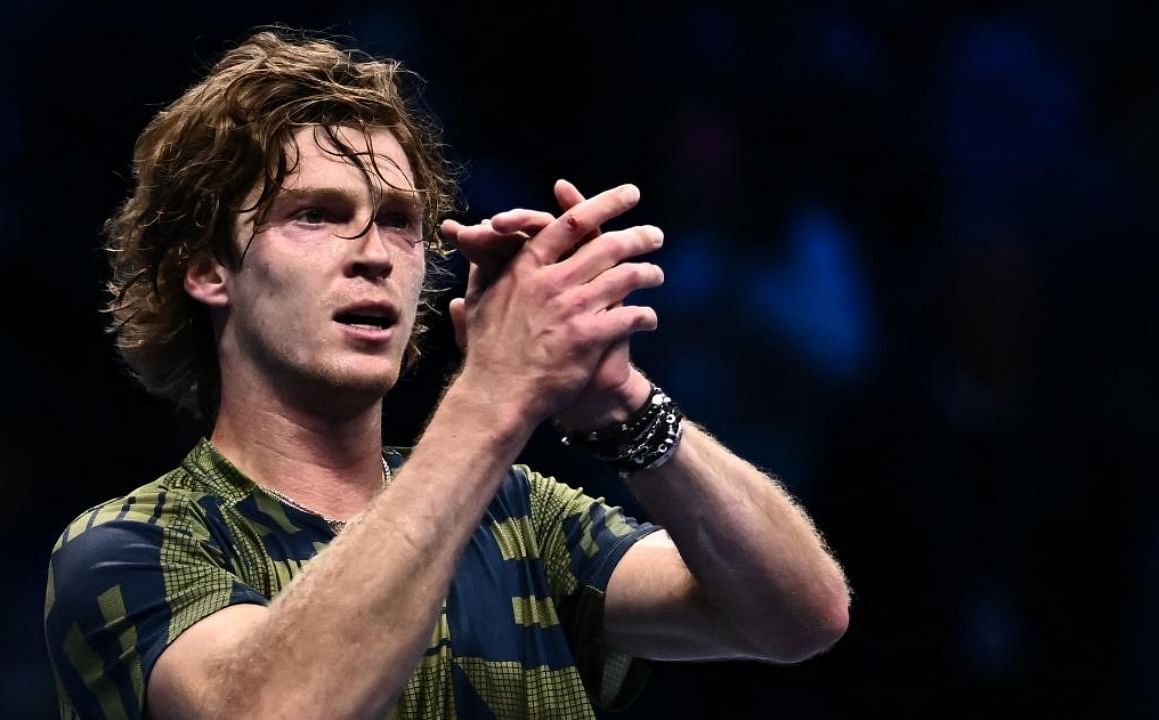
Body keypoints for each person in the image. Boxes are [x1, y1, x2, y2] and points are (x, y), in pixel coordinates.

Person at [44, 29, 850, 720]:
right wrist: (494, 396)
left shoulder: (520, 517)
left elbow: (800, 615)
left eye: (399, 222)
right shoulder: (126, 548)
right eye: (315, 215)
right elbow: (276, 706)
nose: (373, 254)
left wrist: (619, 406)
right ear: (208, 269)